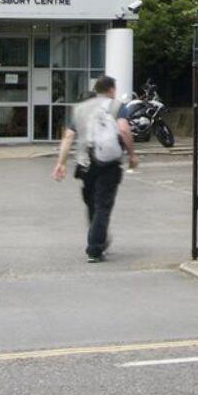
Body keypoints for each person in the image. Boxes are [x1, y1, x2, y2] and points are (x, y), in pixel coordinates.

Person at [52, 75, 137, 262]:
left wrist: (61, 163)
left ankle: (98, 237)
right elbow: (123, 129)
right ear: (111, 90)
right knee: (103, 205)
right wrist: (131, 154)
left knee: (92, 203)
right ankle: (95, 247)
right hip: (109, 163)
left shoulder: (80, 109)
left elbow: (68, 137)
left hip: (85, 163)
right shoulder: (117, 106)